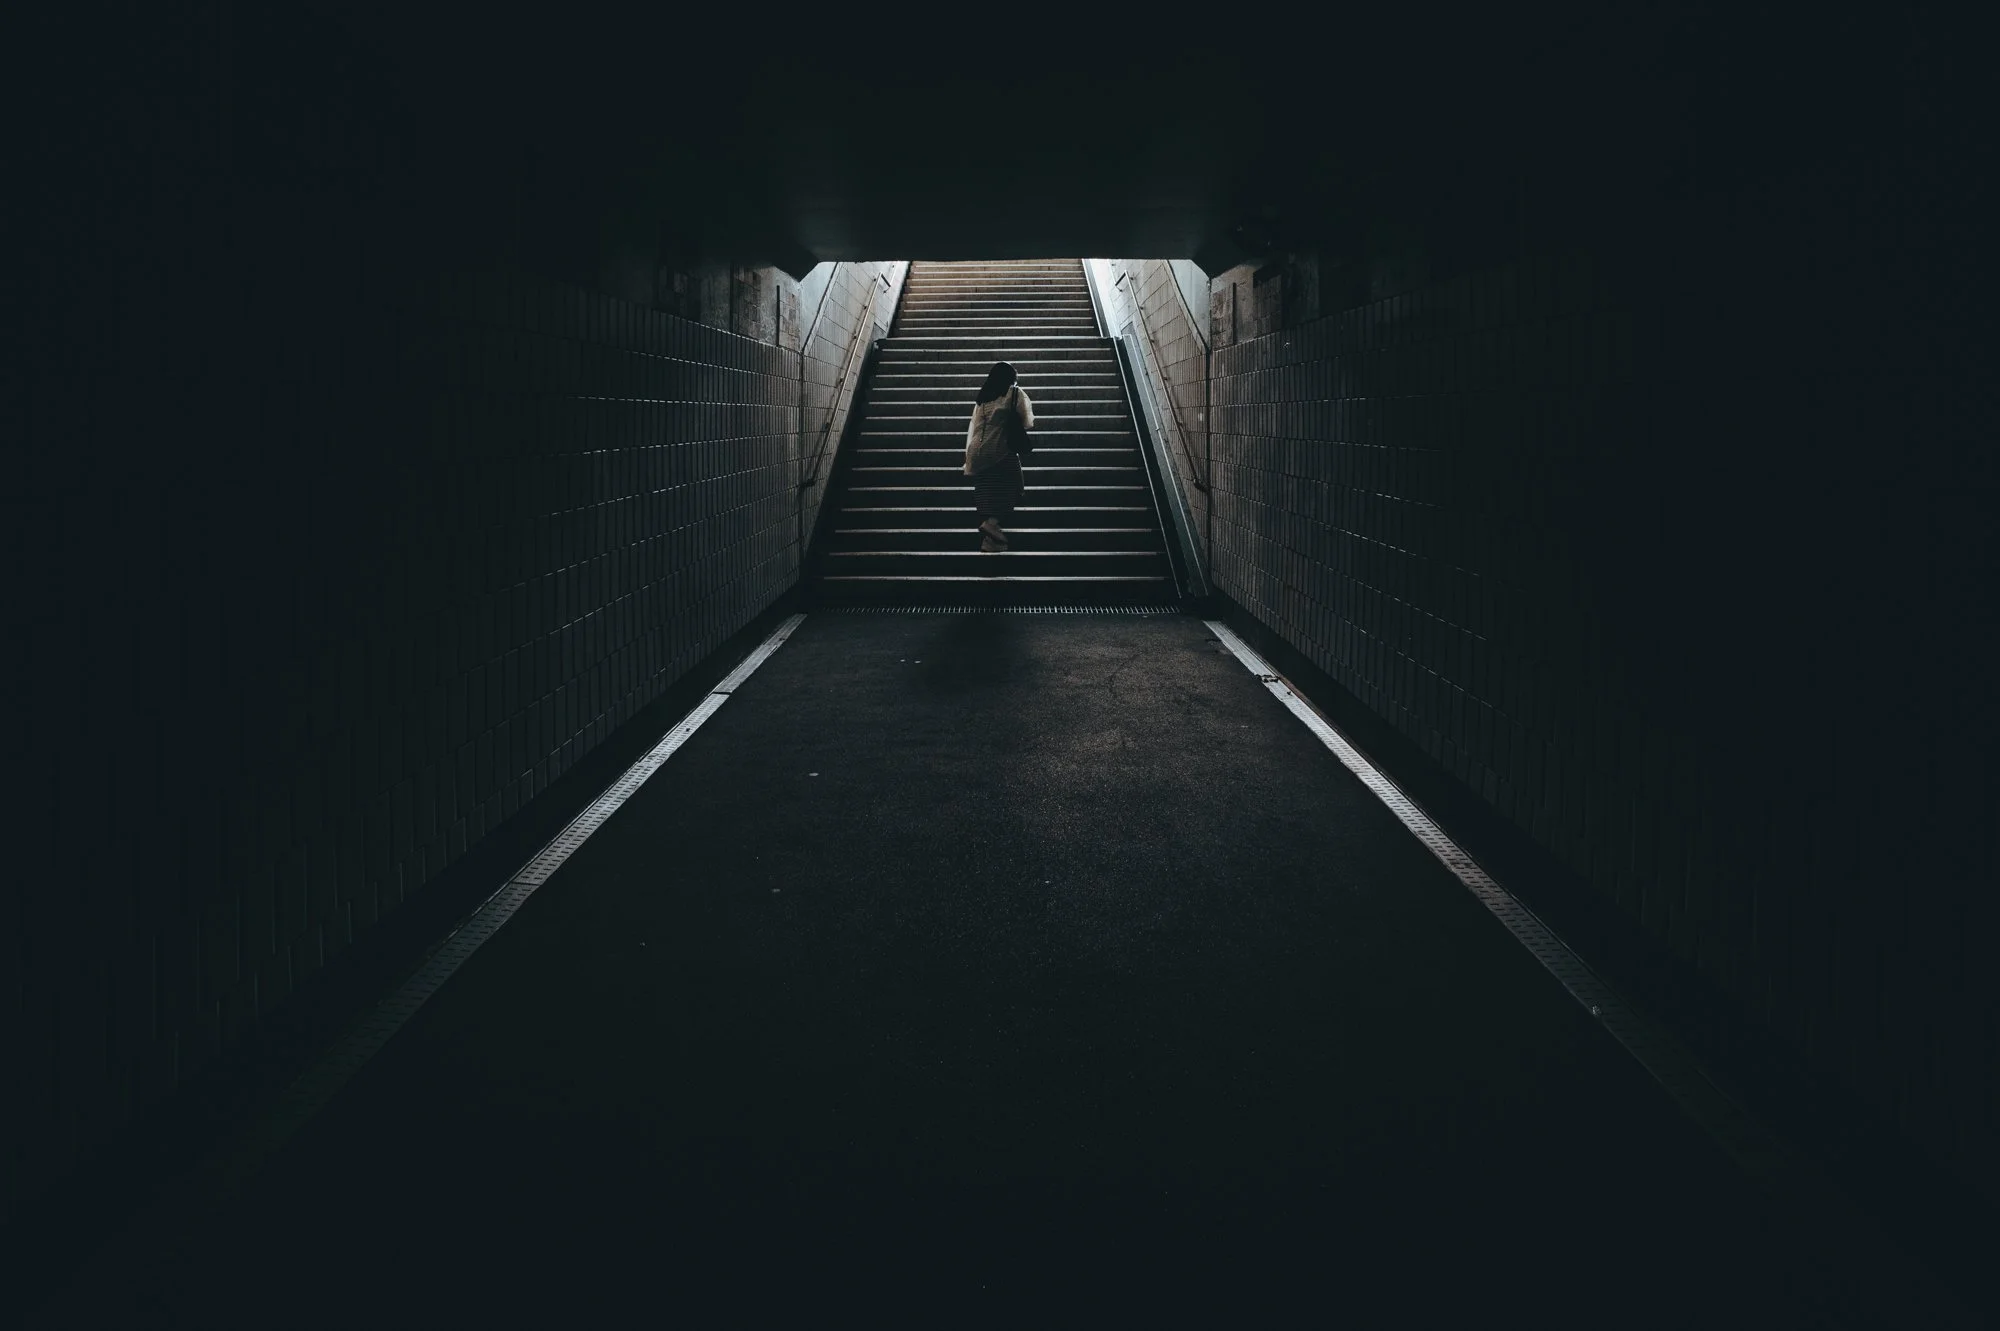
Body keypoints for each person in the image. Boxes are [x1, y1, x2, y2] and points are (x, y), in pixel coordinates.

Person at [962, 360, 1035, 552]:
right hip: (1001, 448)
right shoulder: (1014, 393)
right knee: (1015, 488)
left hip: (978, 450)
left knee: (988, 492)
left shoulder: (983, 397)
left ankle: (991, 542)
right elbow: (1027, 421)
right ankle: (992, 524)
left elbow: (975, 424)